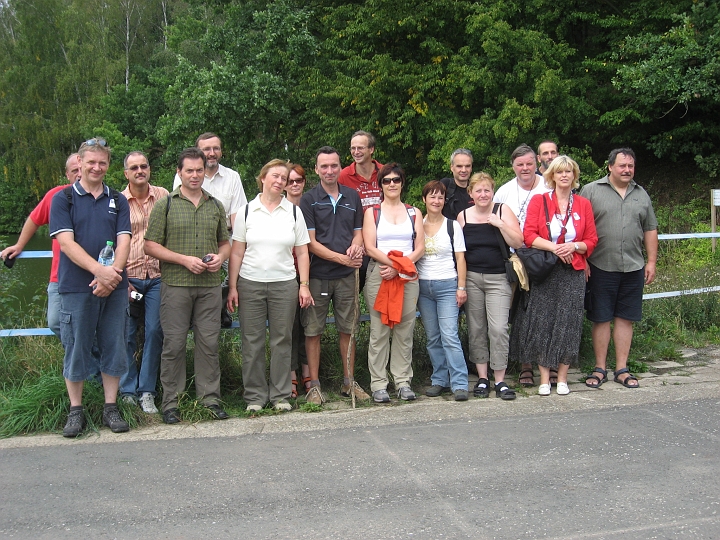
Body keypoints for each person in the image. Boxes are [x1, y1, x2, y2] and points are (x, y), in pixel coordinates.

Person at [49, 138, 132, 437]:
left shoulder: (117, 200)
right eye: (91, 162)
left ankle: (111, 407)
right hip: (76, 286)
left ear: (108, 165)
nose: (96, 167)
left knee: (114, 345)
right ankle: (76, 411)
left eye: (102, 162)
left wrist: (113, 275)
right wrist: (100, 271)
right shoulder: (64, 198)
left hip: (114, 287)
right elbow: (66, 243)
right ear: (80, 164)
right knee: (76, 347)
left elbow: (125, 239)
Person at [144, 147, 231, 425]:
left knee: (209, 343)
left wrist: (221, 257)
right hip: (176, 284)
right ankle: (172, 402)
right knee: (174, 345)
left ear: (205, 171)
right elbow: (150, 245)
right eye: (189, 170)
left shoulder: (216, 205)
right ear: (179, 172)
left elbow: (225, 243)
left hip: (209, 286)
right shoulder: (166, 204)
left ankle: (210, 399)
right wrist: (183, 260)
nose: (195, 175)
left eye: (199, 170)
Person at [227, 159, 313, 412]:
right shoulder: (245, 211)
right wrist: (233, 287)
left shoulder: (294, 212)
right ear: (263, 178)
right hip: (250, 283)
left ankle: (280, 396)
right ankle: (254, 396)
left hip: (284, 284)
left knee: (282, 340)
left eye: (284, 179)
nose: (279, 181)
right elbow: (236, 254)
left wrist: (304, 285)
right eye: (275, 176)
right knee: (251, 341)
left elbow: (303, 252)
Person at [518, 156, 598, 396]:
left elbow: (592, 240)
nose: (564, 176)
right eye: (560, 172)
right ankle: (544, 378)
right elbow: (529, 235)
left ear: (574, 176)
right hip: (547, 271)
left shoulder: (583, 204)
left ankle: (562, 377)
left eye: (569, 172)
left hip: (573, 272)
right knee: (543, 322)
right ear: (552, 176)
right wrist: (555, 248)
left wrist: (573, 247)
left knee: (568, 324)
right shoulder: (538, 201)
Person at [581, 148, 658, 389]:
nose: (627, 170)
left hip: (633, 266)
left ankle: (622, 369)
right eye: (622, 165)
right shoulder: (591, 191)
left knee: (626, 318)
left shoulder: (641, 193)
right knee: (601, 318)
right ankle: (600, 368)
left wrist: (652, 261)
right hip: (600, 265)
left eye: (630, 166)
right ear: (610, 167)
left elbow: (650, 229)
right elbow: (580, 227)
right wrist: (582, 261)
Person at [300, 147, 369, 405]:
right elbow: (310, 243)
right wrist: (342, 257)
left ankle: (349, 382)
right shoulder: (309, 199)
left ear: (341, 168)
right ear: (316, 169)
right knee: (313, 330)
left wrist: (356, 245)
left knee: (348, 329)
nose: (329, 171)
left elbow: (358, 231)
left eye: (334, 166)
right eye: (324, 166)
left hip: (347, 276)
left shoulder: (352, 195)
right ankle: (315, 387)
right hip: (318, 274)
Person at [457, 173, 523, 399]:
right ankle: (482, 378)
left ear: (492, 192)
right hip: (473, 277)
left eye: (487, 190)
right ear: (471, 193)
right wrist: (461, 284)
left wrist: (500, 225)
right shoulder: (463, 216)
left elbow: (518, 241)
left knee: (498, 328)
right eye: (478, 191)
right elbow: (459, 252)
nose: (483, 195)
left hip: (498, 278)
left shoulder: (502, 211)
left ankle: (500, 380)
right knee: (476, 329)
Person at [362, 163, 425, 403]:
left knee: (404, 330)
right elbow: (369, 246)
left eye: (396, 180)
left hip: (406, 276)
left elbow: (419, 247)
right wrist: (390, 264)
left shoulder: (414, 212)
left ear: (402, 182)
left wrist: (399, 267)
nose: (391, 184)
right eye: (386, 180)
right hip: (380, 274)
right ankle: (378, 384)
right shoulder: (372, 213)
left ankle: (402, 381)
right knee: (379, 332)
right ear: (380, 184)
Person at [1, 154, 80, 337]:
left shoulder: (100, 197)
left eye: (81, 169)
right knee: (55, 322)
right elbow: (34, 219)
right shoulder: (56, 196)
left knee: (88, 325)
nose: (79, 175)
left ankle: (84, 362)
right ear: (67, 175)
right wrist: (19, 245)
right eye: (74, 171)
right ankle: (84, 361)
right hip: (59, 275)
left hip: (89, 275)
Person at [495, 143, 551, 387]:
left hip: (544, 258)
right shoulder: (504, 192)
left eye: (529, 163)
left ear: (536, 163)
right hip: (513, 261)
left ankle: (548, 364)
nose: (525, 168)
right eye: (520, 165)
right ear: (513, 166)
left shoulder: (549, 185)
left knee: (544, 313)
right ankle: (525, 365)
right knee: (519, 314)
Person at [119, 151, 168, 414]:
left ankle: (147, 391)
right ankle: (127, 390)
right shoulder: (116, 201)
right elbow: (110, 240)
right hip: (128, 276)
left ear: (149, 169)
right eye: (134, 167)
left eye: (144, 166)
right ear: (126, 173)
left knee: (155, 332)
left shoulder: (163, 196)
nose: (140, 170)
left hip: (159, 276)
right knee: (125, 334)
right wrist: (120, 278)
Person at [416, 180, 469, 401]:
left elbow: (461, 258)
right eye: (432, 196)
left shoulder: (452, 225)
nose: (436, 201)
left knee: (449, 335)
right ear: (424, 200)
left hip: (447, 284)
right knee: (433, 337)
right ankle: (439, 379)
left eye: (440, 197)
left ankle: (460, 383)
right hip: (423, 286)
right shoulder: (416, 224)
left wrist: (461, 288)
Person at [284, 164, 311, 397]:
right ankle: (291, 375)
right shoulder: (278, 208)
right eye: (290, 181)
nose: (294, 184)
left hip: (311, 272)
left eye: (298, 180)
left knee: (308, 325)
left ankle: (308, 371)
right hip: (285, 274)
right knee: (289, 327)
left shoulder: (310, 205)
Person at [339, 130, 383, 211]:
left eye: (360, 148)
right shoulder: (343, 176)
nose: (356, 152)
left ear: (371, 149)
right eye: (353, 148)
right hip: (357, 223)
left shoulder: (385, 172)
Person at [440, 149, 474, 220]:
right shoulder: (445, 185)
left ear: (471, 168)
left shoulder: (477, 190)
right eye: (459, 166)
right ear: (452, 168)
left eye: (467, 166)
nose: (464, 170)